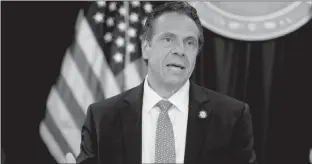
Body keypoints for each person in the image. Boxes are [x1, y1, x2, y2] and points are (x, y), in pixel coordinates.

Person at [74, 2, 256, 164]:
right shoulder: (102, 118)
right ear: (146, 47)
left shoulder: (232, 117)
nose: (180, 50)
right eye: (168, 39)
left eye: (190, 43)